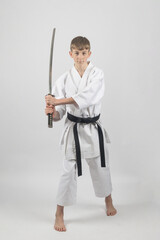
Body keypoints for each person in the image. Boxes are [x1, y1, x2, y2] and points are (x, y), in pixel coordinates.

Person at [45, 36, 117, 232]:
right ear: (71, 54)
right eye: (76, 53)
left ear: (89, 54)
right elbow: (60, 114)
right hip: (73, 128)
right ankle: (59, 212)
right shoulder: (64, 78)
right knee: (67, 171)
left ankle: (108, 200)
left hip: (92, 127)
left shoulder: (97, 74)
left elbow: (87, 97)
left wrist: (57, 102)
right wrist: (53, 112)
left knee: (101, 166)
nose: (80, 56)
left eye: (84, 52)